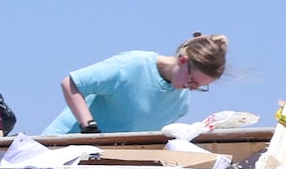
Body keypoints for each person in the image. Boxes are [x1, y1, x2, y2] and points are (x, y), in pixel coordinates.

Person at [43, 33, 228, 136]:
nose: (191, 87)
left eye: (199, 86)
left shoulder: (181, 103)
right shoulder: (132, 65)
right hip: (59, 147)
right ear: (183, 61)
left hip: (103, 164)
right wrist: (89, 127)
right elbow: (71, 83)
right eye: (192, 80)